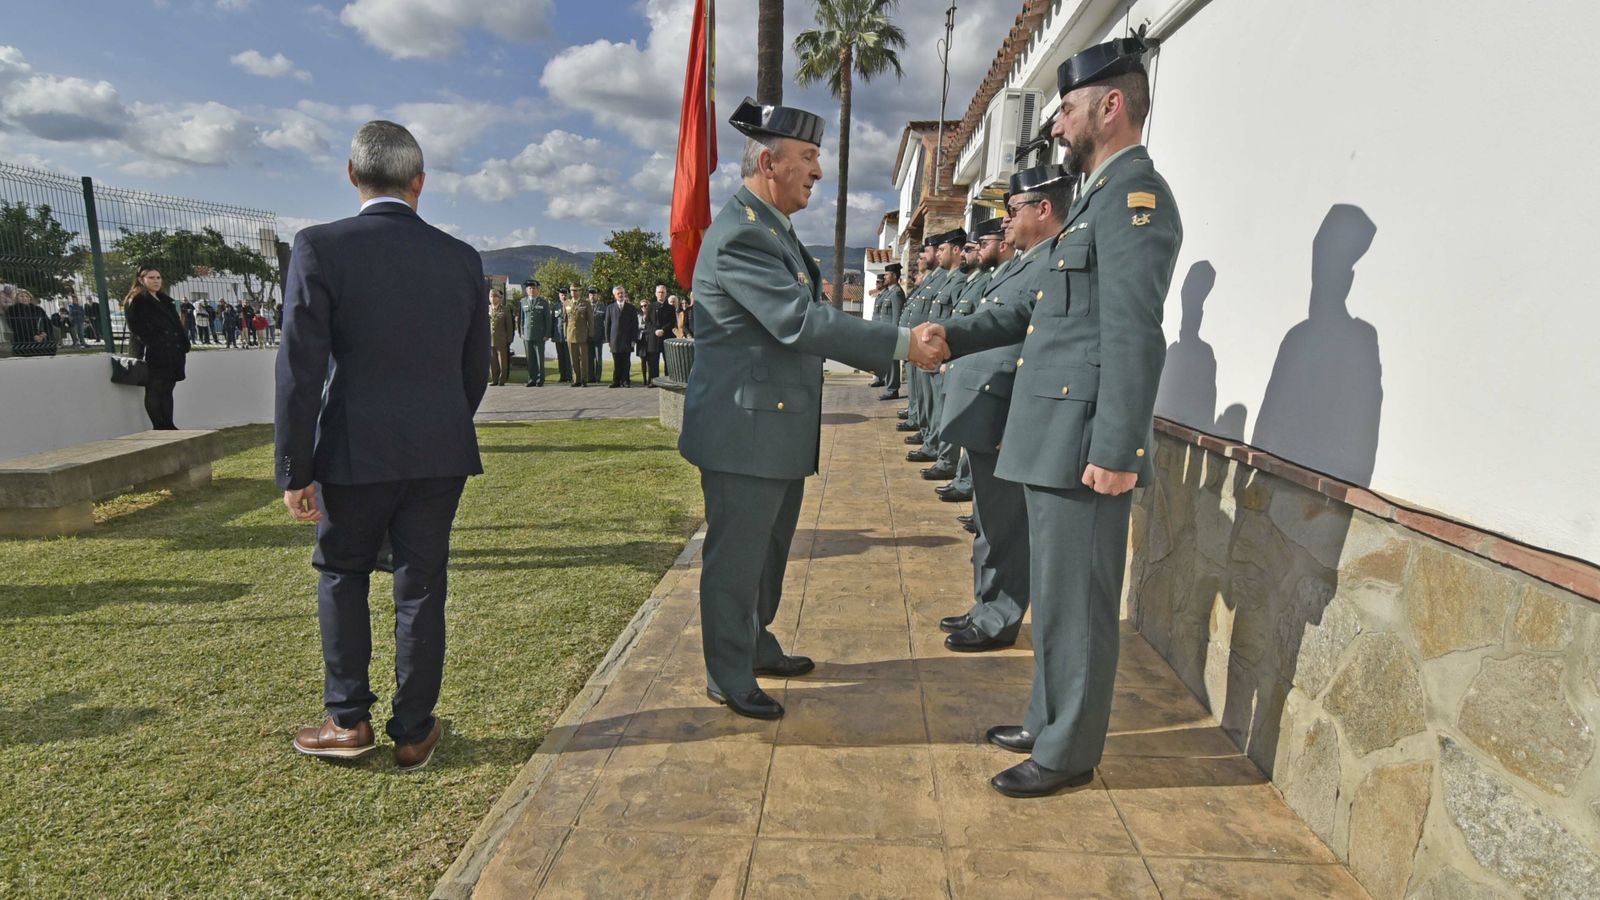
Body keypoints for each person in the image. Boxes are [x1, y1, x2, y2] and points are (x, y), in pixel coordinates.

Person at [920, 38, 1182, 797]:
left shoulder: (1139, 198)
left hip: (1084, 446)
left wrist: (1118, 446)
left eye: (1066, 107)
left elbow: (1135, 331)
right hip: (1052, 439)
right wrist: (948, 335)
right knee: (1057, 598)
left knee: (1079, 607)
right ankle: (1045, 717)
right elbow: (1036, 307)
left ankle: (1068, 752)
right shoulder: (1098, 199)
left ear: (1111, 104)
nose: (1058, 123)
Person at [680, 97, 943, 720]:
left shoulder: (773, 227)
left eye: (819, 156)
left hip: (770, 427)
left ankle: (755, 642)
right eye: (808, 157)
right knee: (737, 557)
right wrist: (903, 343)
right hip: (744, 431)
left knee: (768, 552)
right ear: (769, 162)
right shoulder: (745, 234)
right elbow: (800, 321)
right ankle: (727, 671)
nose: (818, 170)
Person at [277, 120, 489, 772]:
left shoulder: (320, 246)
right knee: (421, 586)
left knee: (342, 575)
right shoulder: (461, 258)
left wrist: (295, 467)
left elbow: (299, 371)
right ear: (419, 181)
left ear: (352, 176)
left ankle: (349, 721)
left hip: (352, 450)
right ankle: (414, 729)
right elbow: (474, 368)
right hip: (438, 449)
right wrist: (442, 423)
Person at [935, 175, 1062, 656]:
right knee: (989, 520)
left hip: (1008, 410)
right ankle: (985, 602)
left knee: (1007, 524)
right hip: (985, 405)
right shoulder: (1020, 265)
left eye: (1014, 209)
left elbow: (1039, 348)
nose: (1006, 220)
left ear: (1043, 209)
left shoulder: (1053, 263)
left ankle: (1000, 615)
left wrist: (1021, 419)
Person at [122, 267, 191, 429]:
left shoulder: (164, 300)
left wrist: (184, 343)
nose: (156, 281)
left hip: (173, 352)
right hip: (154, 352)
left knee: (168, 388)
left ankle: (169, 424)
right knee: (155, 388)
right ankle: (159, 426)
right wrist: (155, 344)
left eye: (158, 277)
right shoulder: (137, 299)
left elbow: (176, 324)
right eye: (151, 278)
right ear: (141, 280)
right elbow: (136, 327)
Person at [874, 263, 905, 399]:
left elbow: (897, 315)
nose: (885, 277)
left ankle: (893, 389)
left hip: (890, 332)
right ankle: (889, 385)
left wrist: (894, 333)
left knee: (893, 361)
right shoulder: (890, 292)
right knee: (888, 360)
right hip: (884, 331)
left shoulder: (897, 292)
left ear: (894, 276)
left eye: (887, 275)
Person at [520, 279, 553, 386]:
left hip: (540, 335)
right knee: (530, 359)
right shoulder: (523, 302)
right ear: (526, 290)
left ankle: (540, 379)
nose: (532, 290)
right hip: (527, 335)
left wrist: (547, 334)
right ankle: (531, 379)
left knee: (539, 358)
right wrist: (521, 333)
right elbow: (521, 319)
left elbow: (548, 320)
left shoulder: (543, 302)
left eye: (534, 288)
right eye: (530, 288)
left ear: (537, 290)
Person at [604, 285, 638, 388]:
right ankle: (616, 381)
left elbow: (635, 325)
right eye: (618, 293)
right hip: (614, 339)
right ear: (615, 295)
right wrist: (608, 340)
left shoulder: (631, 308)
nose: (620, 295)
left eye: (622, 293)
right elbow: (607, 325)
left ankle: (626, 381)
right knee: (617, 361)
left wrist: (633, 339)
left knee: (626, 361)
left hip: (627, 339)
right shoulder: (610, 308)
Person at [6, 289, 55, 357]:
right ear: (16, 298)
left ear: (30, 298)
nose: (25, 298)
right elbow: (17, 326)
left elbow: (47, 322)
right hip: (23, 340)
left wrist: (44, 334)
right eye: (21, 296)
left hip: (42, 339)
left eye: (27, 296)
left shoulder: (38, 309)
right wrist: (33, 336)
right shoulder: (13, 310)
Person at [645, 285, 676, 386]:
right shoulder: (650, 306)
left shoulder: (671, 308)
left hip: (666, 337)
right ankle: (653, 381)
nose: (661, 294)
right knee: (653, 362)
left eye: (663, 292)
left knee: (668, 362)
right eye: (659, 292)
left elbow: (672, 322)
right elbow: (647, 322)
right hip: (654, 339)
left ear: (666, 294)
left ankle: (669, 381)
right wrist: (655, 330)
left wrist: (663, 330)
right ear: (655, 294)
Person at [563, 282, 593, 387]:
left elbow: (590, 320)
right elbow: (565, 320)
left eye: (576, 290)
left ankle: (584, 380)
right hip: (570, 335)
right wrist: (565, 334)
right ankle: (577, 380)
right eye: (572, 291)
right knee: (573, 359)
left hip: (582, 335)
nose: (574, 293)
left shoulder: (586, 303)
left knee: (584, 359)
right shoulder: (567, 303)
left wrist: (590, 334)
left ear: (580, 291)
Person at [488, 289, 515, 385]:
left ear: (499, 298)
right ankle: (494, 379)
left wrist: (509, 338)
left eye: (495, 297)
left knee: (502, 361)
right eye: (491, 296)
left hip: (502, 339)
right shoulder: (487, 309)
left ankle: (502, 379)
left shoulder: (504, 309)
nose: (493, 299)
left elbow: (509, 325)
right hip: (490, 339)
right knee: (492, 361)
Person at [586, 286, 606, 383]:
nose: (592, 296)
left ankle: (598, 377)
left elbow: (606, 323)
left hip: (598, 336)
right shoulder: (585, 305)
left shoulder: (602, 306)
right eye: (590, 295)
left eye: (594, 294)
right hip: (587, 337)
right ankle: (590, 378)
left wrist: (605, 337)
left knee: (598, 358)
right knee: (589, 358)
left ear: (598, 295)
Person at [552, 287, 572, 382]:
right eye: (561, 295)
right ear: (559, 295)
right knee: (560, 357)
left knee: (568, 357)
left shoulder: (571, 305)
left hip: (569, 335)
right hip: (558, 336)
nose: (563, 296)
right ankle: (562, 376)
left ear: (568, 295)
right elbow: (553, 321)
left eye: (565, 295)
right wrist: (552, 335)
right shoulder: (555, 306)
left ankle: (569, 377)